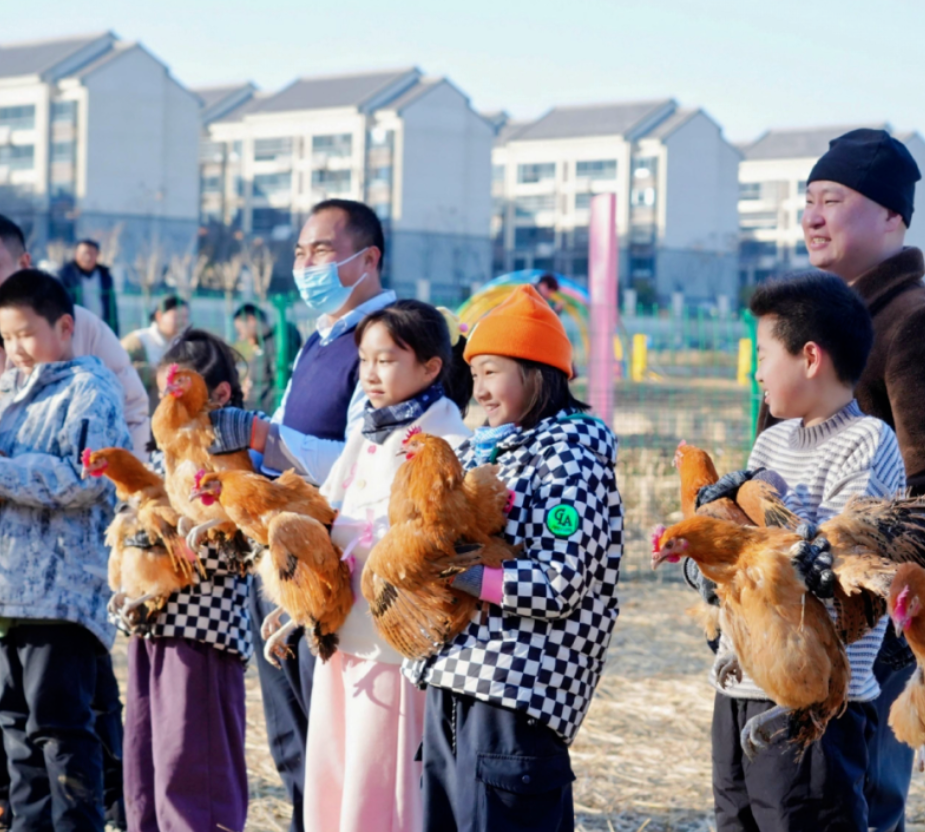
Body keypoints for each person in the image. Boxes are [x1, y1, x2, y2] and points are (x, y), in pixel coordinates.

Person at [0, 212, 148, 831]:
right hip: (1, 590)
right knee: (15, 729)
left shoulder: (87, 391)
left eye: (26, 335)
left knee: (63, 728)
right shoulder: (8, 399)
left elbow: (86, 478)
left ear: (67, 329)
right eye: (8, 338)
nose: (13, 349)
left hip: (60, 595)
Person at [794, 127, 925, 832]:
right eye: (807, 200)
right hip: (800, 616)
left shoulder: (916, 324)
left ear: (892, 218)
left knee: (859, 805)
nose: (812, 216)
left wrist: (874, 613)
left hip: (869, 626)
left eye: (832, 199)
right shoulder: (816, 321)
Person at [406, 284, 624, 832]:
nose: (478, 389)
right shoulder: (485, 446)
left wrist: (466, 577)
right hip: (455, 677)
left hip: (516, 689)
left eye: (492, 372)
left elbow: (560, 581)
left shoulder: (570, 453)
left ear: (536, 371)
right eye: (474, 374)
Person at [208, 198, 394, 832]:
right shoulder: (320, 338)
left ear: (367, 258)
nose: (306, 264)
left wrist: (263, 436)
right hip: (282, 558)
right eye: (299, 252)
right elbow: (288, 435)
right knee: (292, 740)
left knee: (331, 737)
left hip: (334, 568)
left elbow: (362, 459)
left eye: (321, 250)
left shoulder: (385, 339)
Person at [700, 270, 905, 832]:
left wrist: (749, 542)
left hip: (814, 706)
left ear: (809, 357)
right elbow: (750, 550)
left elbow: (836, 562)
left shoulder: (867, 443)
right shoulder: (771, 441)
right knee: (735, 819)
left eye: (763, 354)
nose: (756, 370)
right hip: (740, 685)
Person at [302, 300, 473, 832]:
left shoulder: (449, 442)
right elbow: (330, 513)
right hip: (341, 632)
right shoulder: (368, 432)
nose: (371, 373)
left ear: (430, 367)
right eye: (366, 360)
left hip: (395, 644)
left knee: (384, 781)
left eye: (387, 360)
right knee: (335, 770)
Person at [114, 329, 254, 832]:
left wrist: (169, 548)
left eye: (179, 390)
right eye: (162, 392)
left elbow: (239, 549)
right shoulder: (165, 457)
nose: (167, 403)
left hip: (203, 633)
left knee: (194, 771)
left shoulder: (232, 462)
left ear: (219, 394)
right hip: (153, 630)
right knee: (147, 762)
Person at [233, 302, 303, 415]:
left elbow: (279, 378)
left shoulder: (276, 341)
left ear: (251, 320)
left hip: (266, 410)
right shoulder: (262, 343)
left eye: (240, 330)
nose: (241, 336)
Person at [122, 296, 190, 410]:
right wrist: (158, 373)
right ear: (159, 316)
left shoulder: (183, 344)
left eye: (185, 317)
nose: (182, 322)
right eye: (177, 317)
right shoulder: (138, 341)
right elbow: (119, 369)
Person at [58, 239, 120, 333]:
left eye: (92, 253)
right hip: (75, 329)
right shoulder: (65, 275)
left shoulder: (105, 276)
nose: (88, 257)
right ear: (76, 254)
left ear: (98, 255)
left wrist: (114, 331)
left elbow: (112, 307)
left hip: (101, 328)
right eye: (84, 253)